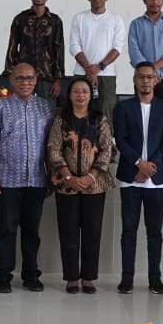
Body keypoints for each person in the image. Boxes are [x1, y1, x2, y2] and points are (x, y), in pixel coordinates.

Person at [0, 63, 56, 294]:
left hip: (36, 180)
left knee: (31, 231)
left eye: (29, 78)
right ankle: (3, 276)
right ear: (11, 81)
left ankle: (31, 275)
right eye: (20, 78)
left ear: (36, 80)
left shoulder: (46, 107)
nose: (25, 82)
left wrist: (51, 174)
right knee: (7, 230)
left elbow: (51, 145)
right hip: (7, 180)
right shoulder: (0, 107)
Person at [47, 76, 115, 294]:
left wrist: (90, 177)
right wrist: (69, 178)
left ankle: (88, 277)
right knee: (68, 231)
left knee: (92, 231)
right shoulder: (61, 119)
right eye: (76, 91)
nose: (80, 95)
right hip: (66, 184)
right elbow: (54, 149)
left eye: (84, 91)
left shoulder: (99, 119)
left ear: (90, 95)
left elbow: (107, 150)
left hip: (94, 185)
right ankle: (71, 277)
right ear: (69, 95)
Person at [114, 62, 163, 294]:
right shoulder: (123, 107)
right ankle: (127, 279)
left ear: (156, 80)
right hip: (130, 178)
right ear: (134, 80)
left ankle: (155, 279)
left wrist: (150, 167)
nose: (145, 81)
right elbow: (121, 140)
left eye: (149, 77)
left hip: (156, 179)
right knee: (128, 231)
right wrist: (139, 164)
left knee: (155, 232)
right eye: (141, 77)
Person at [68, 0, 125, 120]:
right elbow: (74, 46)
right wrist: (89, 70)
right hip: (82, 73)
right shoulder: (79, 18)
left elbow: (117, 47)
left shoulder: (116, 19)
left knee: (106, 114)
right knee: (80, 113)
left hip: (106, 75)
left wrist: (98, 67)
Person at [5, 0, 65, 101]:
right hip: (23, 77)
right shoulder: (20, 19)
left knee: (47, 111)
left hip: (47, 77)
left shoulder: (55, 21)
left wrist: (58, 79)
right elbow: (12, 46)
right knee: (21, 109)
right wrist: (10, 73)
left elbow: (59, 50)